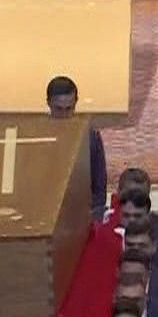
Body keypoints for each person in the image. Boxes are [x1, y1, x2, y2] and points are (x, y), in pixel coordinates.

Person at [47, 74, 109, 216]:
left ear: (76, 103)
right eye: (58, 109)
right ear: (49, 103)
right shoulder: (38, 136)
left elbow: (99, 186)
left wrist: (90, 213)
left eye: (69, 108)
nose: (64, 115)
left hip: (81, 212)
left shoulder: (90, 138)